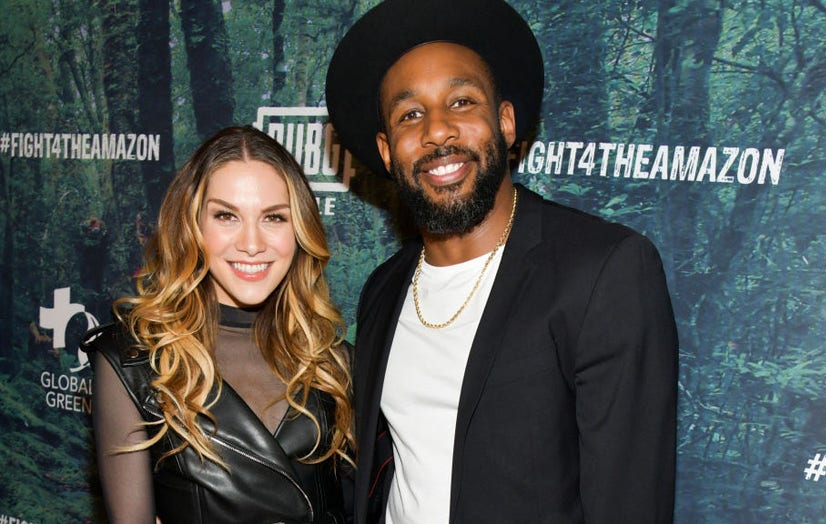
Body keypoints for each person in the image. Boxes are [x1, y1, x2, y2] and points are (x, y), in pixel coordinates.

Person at [325, 0, 679, 522]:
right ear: (385, 149)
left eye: (462, 102)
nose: (438, 131)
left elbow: (630, 505)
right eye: (410, 114)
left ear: (507, 122)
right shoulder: (385, 287)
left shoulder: (604, 272)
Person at [81, 126, 353, 524]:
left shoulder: (333, 362)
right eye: (226, 216)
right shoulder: (132, 362)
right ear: (192, 226)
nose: (252, 243)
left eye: (273, 217)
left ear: (299, 229)